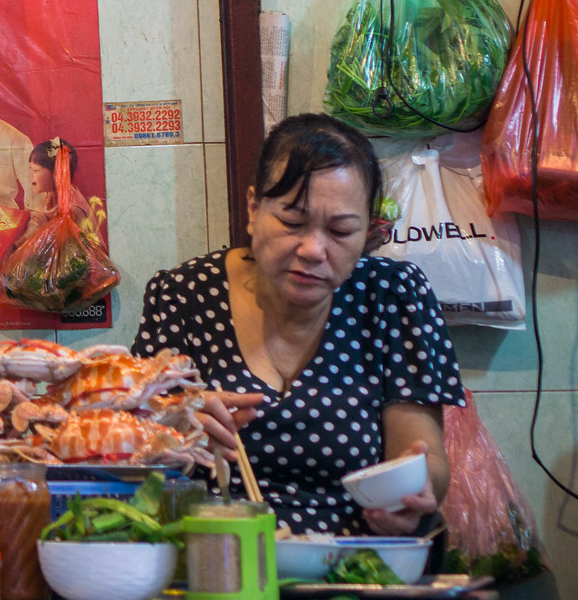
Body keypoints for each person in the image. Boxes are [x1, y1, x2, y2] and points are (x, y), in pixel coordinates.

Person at [131, 114, 463, 536]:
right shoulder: (183, 294)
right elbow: (137, 441)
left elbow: (423, 457)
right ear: (254, 210)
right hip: (215, 556)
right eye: (292, 222)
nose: (313, 249)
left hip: (353, 560)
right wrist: (177, 428)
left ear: (367, 233)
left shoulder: (393, 296)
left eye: (341, 231)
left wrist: (412, 493)